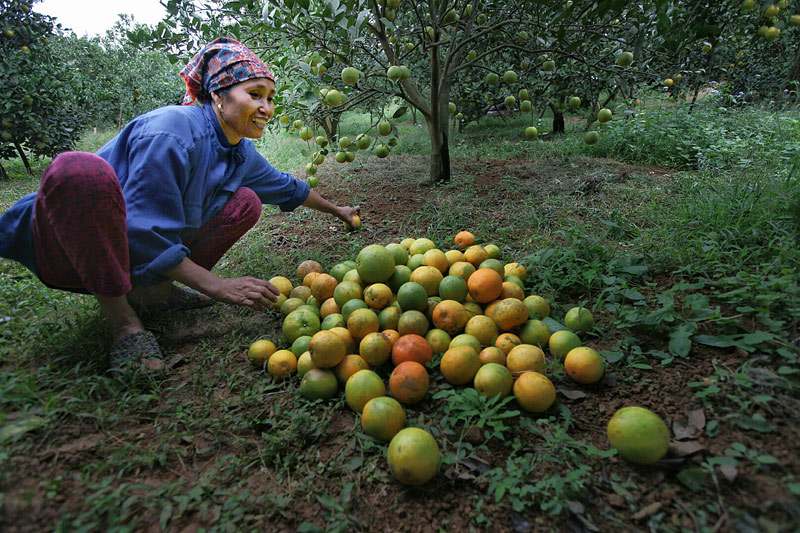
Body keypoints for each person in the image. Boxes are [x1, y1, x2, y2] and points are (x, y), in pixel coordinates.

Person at [0, 37, 358, 374]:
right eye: (255, 94)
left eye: (270, 97)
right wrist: (215, 284)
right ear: (218, 95)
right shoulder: (172, 131)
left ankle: (154, 292)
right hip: (69, 245)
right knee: (78, 169)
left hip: (130, 252)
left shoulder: (238, 151)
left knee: (246, 201)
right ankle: (125, 324)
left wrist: (338, 210)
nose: (266, 107)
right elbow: (141, 228)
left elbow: (286, 186)